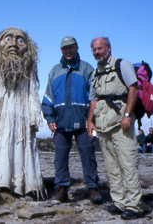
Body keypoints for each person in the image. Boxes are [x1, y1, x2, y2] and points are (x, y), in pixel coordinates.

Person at [0, 27, 45, 197]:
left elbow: (33, 92)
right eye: (8, 39)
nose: (13, 44)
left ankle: (26, 185)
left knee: (23, 147)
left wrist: (34, 116)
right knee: (2, 145)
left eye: (19, 40)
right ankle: (2, 181)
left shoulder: (28, 70)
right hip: (3, 116)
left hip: (22, 115)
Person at [42, 36, 102, 204]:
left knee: (89, 155)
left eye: (70, 47)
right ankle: (61, 190)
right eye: (64, 48)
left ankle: (93, 188)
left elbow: (95, 97)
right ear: (61, 50)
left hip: (85, 123)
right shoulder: (54, 71)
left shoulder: (87, 69)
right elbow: (48, 97)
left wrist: (92, 119)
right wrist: (49, 117)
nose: (67, 50)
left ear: (77, 48)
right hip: (60, 123)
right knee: (60, 158)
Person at [87, 37, 142, 220]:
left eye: (100, 48)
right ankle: (119, 203)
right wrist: (90, 121)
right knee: (111, 166)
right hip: (103, 125)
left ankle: (133, 206)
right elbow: (94, 99)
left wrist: (127, 115)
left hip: (121, 123)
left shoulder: (122, 64)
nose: (97, 52)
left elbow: (133, 89)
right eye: (94, 49)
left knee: (128, 163)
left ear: (108, 48)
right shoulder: (95, 73)